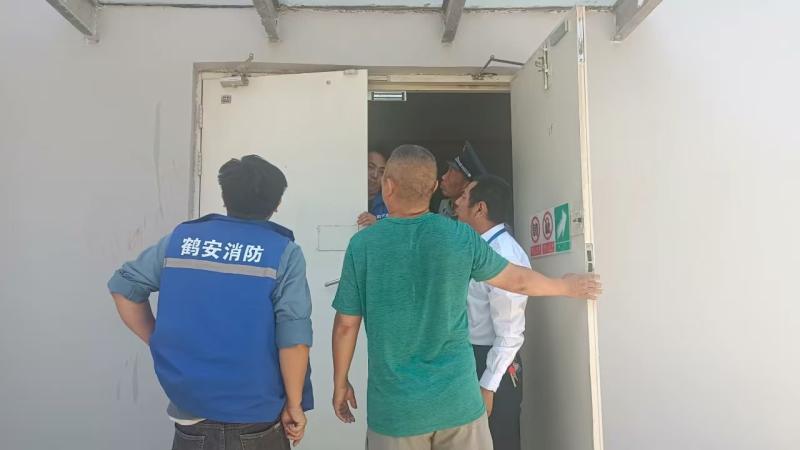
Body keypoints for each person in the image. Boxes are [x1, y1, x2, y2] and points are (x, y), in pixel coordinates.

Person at [330, 145, 601, 450]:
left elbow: (346, 325)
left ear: (387, 186)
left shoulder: (363, 245)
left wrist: (340, 382)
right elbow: (518, 281)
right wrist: (566, 286)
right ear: (433, 187)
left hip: (397, 411)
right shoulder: (459, 236)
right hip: (458, 403)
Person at [107, 155, 313, 449]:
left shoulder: (181, 241)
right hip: (256, 419)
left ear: (225, 196)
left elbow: (123, 288)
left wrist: (159, 340)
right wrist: (294, 404)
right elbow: (294, 340)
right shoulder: (283, 252)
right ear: (276, 204)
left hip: (191, 418)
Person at [455, 175, 529, 450]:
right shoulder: (475, 246)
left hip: (492, 363)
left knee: (498, 440)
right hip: (470, 357)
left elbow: (510, 333)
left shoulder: (503, 254)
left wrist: (488, 385)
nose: (457, 202)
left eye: (464, 196)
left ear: (480, 208)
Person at [438, 141, 488, 219]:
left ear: (467, 185)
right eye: (448, 170)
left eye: (452, 172)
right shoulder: (443, 206)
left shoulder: (475, 217)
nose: (443, 177)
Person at [358, 150, 389, 227]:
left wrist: (377, 223)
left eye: (381, 171)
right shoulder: (346, 198)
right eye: (370, 167)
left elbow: (400, 231)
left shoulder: (389, 204)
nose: (375, 175)